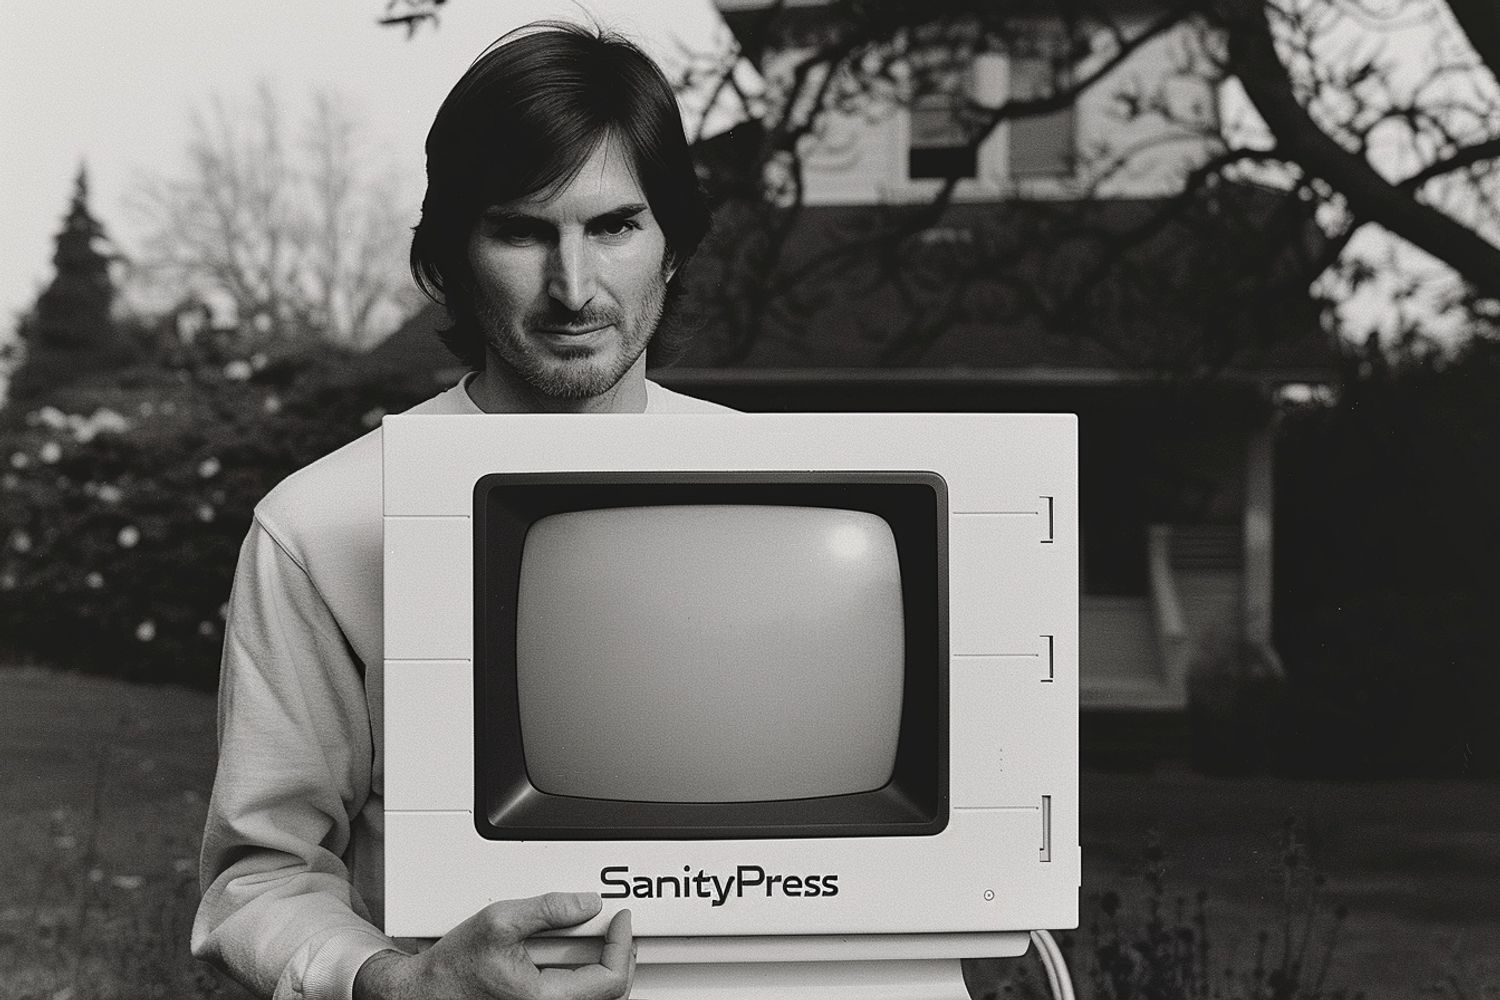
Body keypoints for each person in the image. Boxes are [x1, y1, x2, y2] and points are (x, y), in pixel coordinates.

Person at [191, 21, 732, 1000]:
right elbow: (257, 878)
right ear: (450, 255)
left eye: (615, 225)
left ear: (673, 246)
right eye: (523, 231)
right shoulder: (319, 521)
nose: (573, 288)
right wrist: (391, 981)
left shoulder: (787, 478)